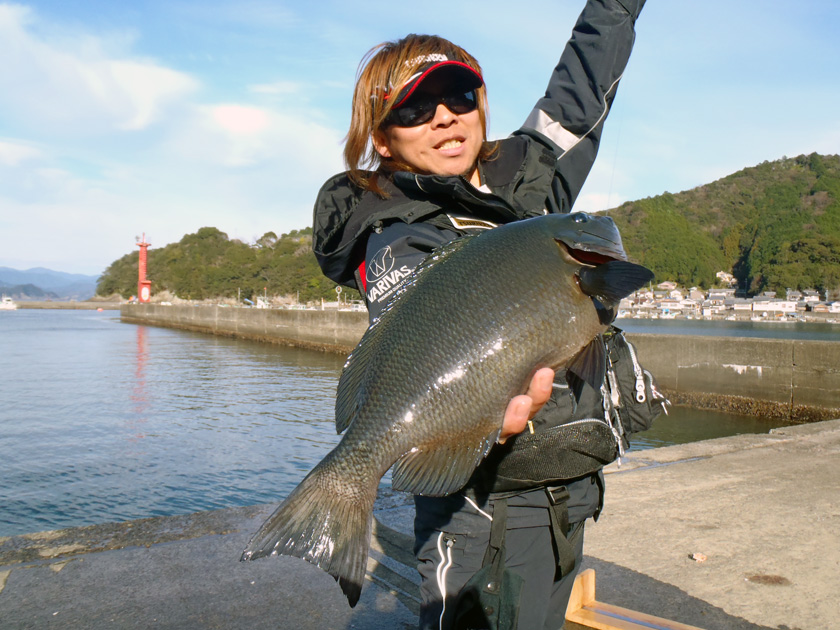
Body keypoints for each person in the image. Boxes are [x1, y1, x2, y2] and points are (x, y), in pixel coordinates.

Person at [312, 1, 646, 627]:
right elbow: (414, 311)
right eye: (412, 108)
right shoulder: (391, 230)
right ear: (382, 139)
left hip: (567, 496)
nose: (443, 116)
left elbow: (580, 84)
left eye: (458, 94)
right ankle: (339, 494)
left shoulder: (528, 190)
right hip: (480, 513)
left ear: (481, 105)